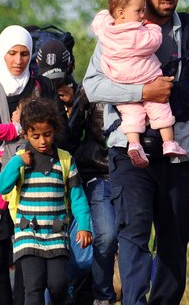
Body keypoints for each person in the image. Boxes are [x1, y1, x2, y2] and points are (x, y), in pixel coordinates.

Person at [83, 0, 189, 305]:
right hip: (128, 150)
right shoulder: (115, 31)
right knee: (132, 233)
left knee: (175, 237)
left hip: (179, 151)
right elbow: (92, 87)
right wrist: (142, 93)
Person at [0, 25, 72, 305]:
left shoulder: (41, 86)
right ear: (2, 53)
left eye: (24, 53)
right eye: (12, 53)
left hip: (31, 179)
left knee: (27, 250)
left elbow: (62, 130)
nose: (18, 60)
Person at [38, 37, 118, 304]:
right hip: (68, 181)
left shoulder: (83, 90)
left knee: (85, 252)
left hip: (84, 180)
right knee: (60, 255)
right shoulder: (38, 93)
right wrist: (61, 112)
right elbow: (68, 137)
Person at [0, 97, 92, 305]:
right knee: (34, 287)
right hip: (28, 234)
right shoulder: (20, 159)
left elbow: (77, 196)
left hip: (57, 235)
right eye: (35, 136)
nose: (42, 141)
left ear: (54, 131)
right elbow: (1, 186)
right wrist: (17, 163)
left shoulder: (65, 159)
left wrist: (84, 226)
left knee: (58, 285)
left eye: (47, 135)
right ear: (25, 133)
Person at [91, 0, 187, 168]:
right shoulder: (136, 34)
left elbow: (98, 20)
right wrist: (152, 26)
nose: (142, 15)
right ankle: (169, 142)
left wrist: (108, 15)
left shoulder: (105, 31)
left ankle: (134, 144)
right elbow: (153, 41)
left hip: (120, 81)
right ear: (121, 13)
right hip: (145, 77)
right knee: (160, 109)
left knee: (131, 114)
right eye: (138, 11)